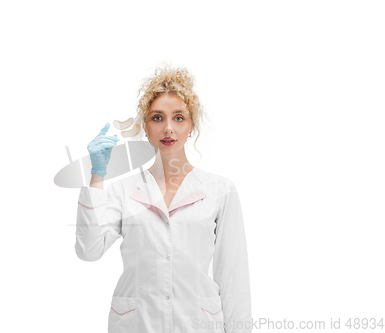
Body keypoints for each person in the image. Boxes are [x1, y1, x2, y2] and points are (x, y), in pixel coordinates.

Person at [75, 63, 252, 333]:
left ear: (192, 125)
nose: (168, 127)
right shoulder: (123, 191)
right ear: (145, 126)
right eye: (157, 117)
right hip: (137, 325)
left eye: (179, 117)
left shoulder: (220, 190)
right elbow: (88, 250)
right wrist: (97, 174)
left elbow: (233, 276)